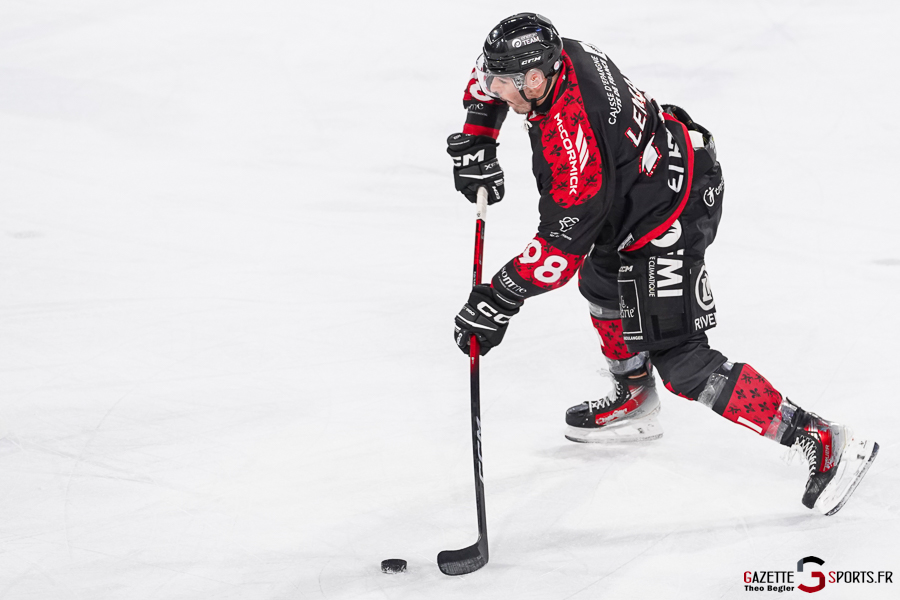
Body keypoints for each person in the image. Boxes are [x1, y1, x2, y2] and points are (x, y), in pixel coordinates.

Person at [448, 13, 878, 515]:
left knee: (682, 359)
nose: (494, 90)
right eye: (492, 79)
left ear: (537, 79)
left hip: (671, 211)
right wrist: (479, 136)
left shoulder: (575, 145)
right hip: (639, 185)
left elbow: (559, 251)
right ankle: (633, 397)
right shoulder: (558, 53)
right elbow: (491, 80)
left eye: (504, 85)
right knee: (604, 285)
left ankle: (821, 438)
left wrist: (498, 297)